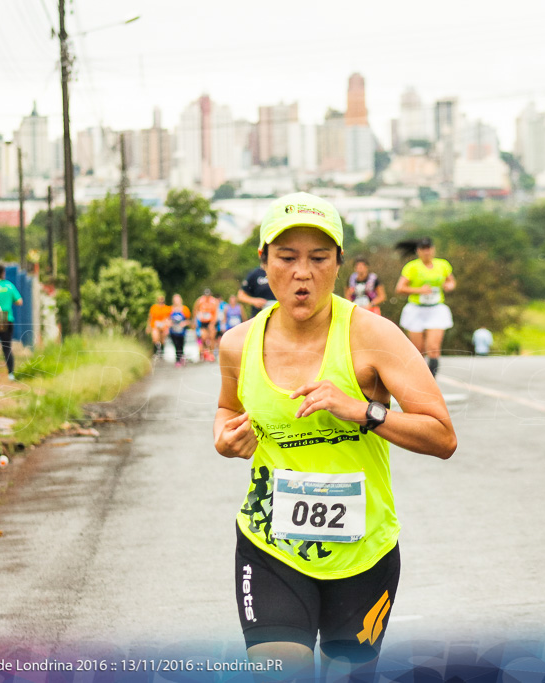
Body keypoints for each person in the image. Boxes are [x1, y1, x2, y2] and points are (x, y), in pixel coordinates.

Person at [214, 192, 456, 681]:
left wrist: (365, 412)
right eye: (286, 258)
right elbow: (226, 411)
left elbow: (442, 435)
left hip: (364, 551)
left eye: (319, 258)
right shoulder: (237, 344)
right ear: (264, 263)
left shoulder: (376, 336)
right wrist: (224, 437)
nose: (302, 273)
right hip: (271, 545)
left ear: (339, 264)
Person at [395, 237, 456, 377]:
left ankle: (431, 380)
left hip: (436, 308)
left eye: (429, 248)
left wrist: (449, 286)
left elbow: (451, 281)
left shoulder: (443, 265)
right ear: (418, 251)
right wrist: (419, 290)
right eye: (423, 249)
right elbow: (400, 288)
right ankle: (419, 379)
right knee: (418, 350)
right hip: (416, 309)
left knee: (433, 348)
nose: (426, 252)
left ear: (433, 249)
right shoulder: (412, 267)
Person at [194, 288, 220, 362]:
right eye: (206, 295)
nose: (207, 296)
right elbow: (195, 310)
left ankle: (211, 354)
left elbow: (216, 313)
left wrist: (212, 323)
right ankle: (206, 352)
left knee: (212, 337)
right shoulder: (200, 300)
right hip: (203, 322)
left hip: (211, 321)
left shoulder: (214, 301)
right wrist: (196, 319)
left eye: (208, 295)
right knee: (204, 337)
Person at [167, 293, 191, 367]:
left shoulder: (185, 309)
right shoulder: (170, 309)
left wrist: (184, 323)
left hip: (181, 331)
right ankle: (178, 359)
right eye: (175, 300)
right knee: (176, 344)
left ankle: (181, 357)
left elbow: (189, 320)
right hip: (173, 330)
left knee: (181, 344)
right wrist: (169, 323)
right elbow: (167, 319)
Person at [147, 293, 172, 357]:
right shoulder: (154, 308)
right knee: (155, 338)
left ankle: (162, 352)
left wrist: (168, 325)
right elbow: (150, 317)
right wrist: (148, 327)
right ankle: (155, 352)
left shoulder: (167, 308)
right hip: (155, 326)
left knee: (162, 340)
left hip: (164, 326)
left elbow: (169, 318)